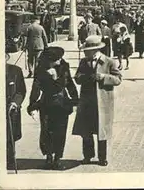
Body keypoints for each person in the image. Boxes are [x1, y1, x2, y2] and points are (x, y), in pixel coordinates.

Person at [72, 35, 122, 167]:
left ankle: (102, 158)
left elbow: (118, 79)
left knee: (102, 131)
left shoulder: (109, 61)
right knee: (86, 130)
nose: (84, 52)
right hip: (87, 100)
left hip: (102, 101)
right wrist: (83, 77)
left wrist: (103, 77)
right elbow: (77, 77)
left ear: (94, 50)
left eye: (86, 50)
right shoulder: (83, 62)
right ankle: (87, 156)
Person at [27, 47, 79, 170]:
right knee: (46, 131)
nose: (61, 60)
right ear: (51, 60)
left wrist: (75, 99)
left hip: (62, 104)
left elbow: (69, 83)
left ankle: (57, 159)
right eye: (58, 58)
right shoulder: (41, 70)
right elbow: (36, 88)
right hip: (46, 104)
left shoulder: (63, 66)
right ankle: (48, 158)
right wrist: (32, 105)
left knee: (60, 131)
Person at [6, 52, 26, 171]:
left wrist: (15, 103)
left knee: (10, 136)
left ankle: (9, 159)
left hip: (10, 110)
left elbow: (21, 90)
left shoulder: (15, 71)